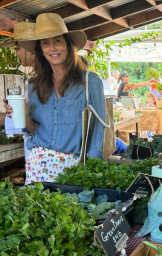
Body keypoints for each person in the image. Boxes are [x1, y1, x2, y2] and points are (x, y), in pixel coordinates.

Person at [4, 13, 105, 185]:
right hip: (38, 165)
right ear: (41, 50)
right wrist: (23, 115)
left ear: (68, 44)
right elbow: (33, 129)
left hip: (73, 168)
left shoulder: (90, 81)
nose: (52, 48)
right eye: (45, 43)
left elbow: (98, 130)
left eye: (57, 40)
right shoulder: (35, 86)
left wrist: (92, 169)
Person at [1, 21, 36, 161]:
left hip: (42, 159)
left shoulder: (39, 83)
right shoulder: (36, 80)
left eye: (18, 47)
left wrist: (16, 114)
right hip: (38, 159)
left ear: (31, 49)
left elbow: (25, 121)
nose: (16, 52)